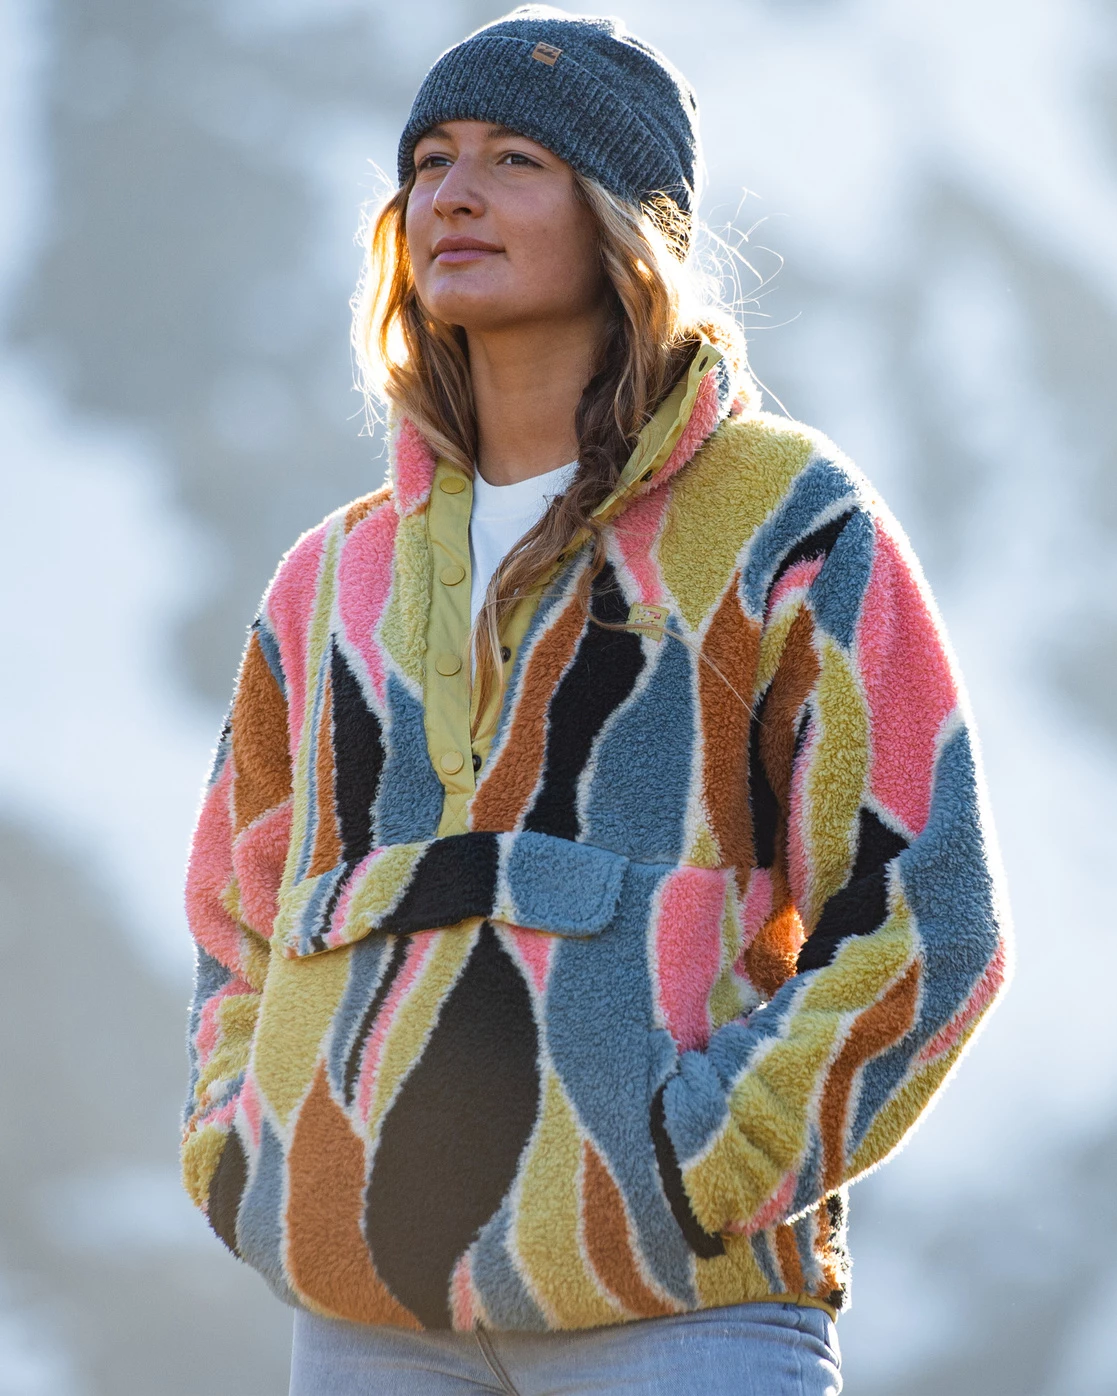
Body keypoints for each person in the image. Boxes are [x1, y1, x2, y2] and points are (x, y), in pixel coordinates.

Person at [180, 7, 1011, 1393]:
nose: (453, 193)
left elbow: (930, 912)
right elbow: (236, 911)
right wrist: (248, 1160)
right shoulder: (327, 579)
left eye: (516, 159)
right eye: (430, 160)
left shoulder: (785, 520)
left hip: (678, 1312)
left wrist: (699, 1167)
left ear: (630, 224)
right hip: (365, 1322)